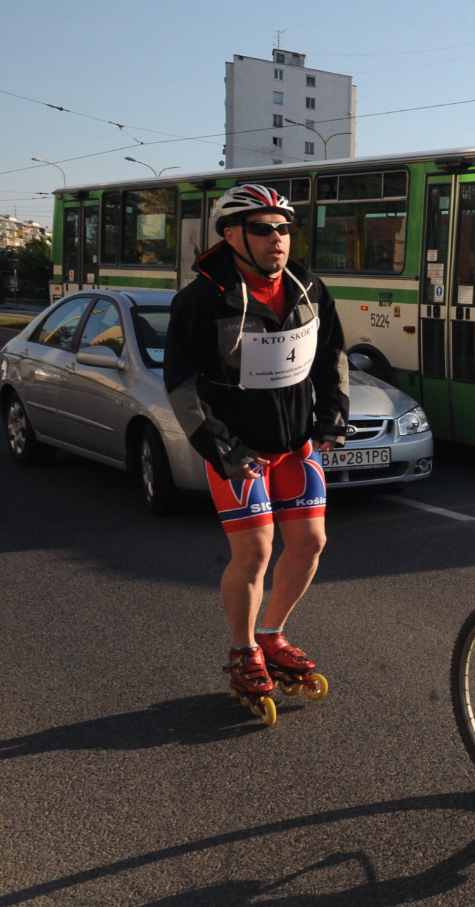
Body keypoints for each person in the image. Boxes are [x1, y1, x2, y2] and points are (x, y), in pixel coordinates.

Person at [164, 183, 350, 703]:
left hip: (295, 445)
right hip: (238, 449)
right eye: (264, 229)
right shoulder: (201, 298)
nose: (278, 239)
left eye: (285, 228)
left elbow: (332, 354)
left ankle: (271, 633)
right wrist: (224, 450)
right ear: (231, 235)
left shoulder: (308, 287)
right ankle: (244, 648)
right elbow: (180, 385)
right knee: (255, 552)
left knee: (311, 544)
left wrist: (332, 418)